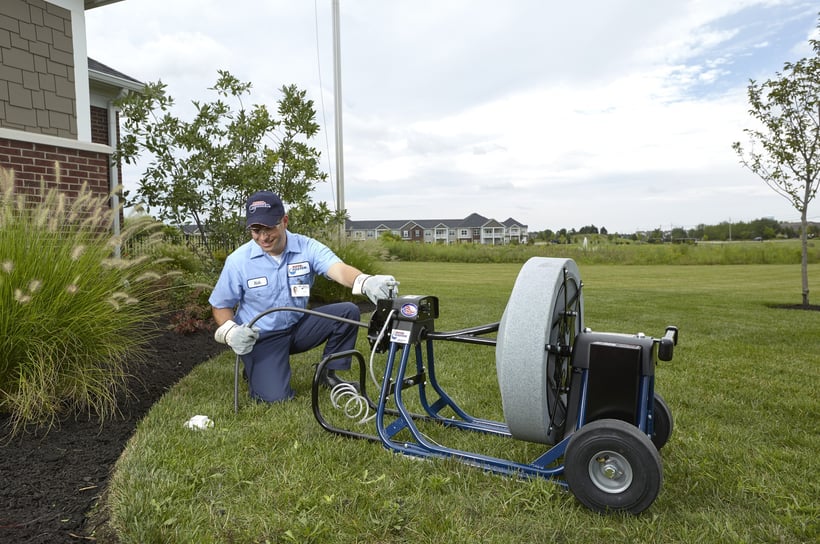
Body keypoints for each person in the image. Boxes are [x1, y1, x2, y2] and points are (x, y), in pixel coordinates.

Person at [209, 190, 397, 403]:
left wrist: (364, 281)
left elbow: (337, 269)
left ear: (285, 221)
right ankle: (257, 367)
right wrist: (231, 332)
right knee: (275, 398)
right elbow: (220, 305)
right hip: (262, 338)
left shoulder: (307, 247)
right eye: (256, 230)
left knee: (348, 312)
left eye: (269, 227)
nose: (263, 237)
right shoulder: (238, 261)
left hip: (299, 327)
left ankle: (329, 373)